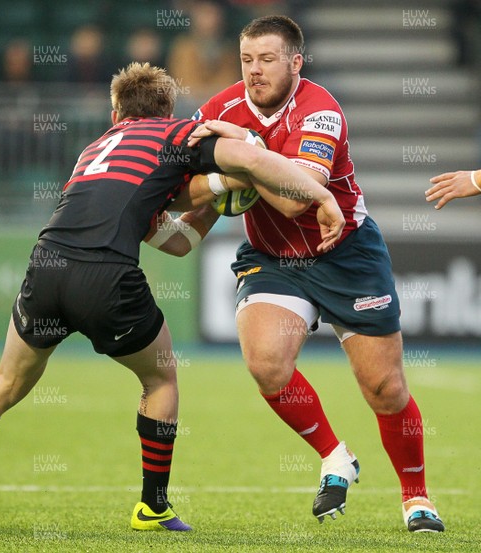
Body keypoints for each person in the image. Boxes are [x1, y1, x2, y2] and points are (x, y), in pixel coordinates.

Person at [0, 62, 344, 531]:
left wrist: (213, 196)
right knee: (161, 380)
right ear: (168, 112)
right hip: (106, 276)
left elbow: (170, 237)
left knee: (6, 381)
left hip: (46, 264)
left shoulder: (92, 150)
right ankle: (153, 506)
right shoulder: (178, 133)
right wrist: (321, 197)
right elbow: (252, 159)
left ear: (116, 113)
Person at [190, 15, 445, 532]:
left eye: (266, 59)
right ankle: (335, 456)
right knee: (266, 364)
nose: (254, 72)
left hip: (346, 254)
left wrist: (246, 154)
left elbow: (294, 199)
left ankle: (416, 498)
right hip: (275, 261)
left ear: (295, 62)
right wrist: (218, 176)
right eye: (246, 60)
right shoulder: (219, 108)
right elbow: (184, 186)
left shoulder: (320, 109)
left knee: (385, 389)